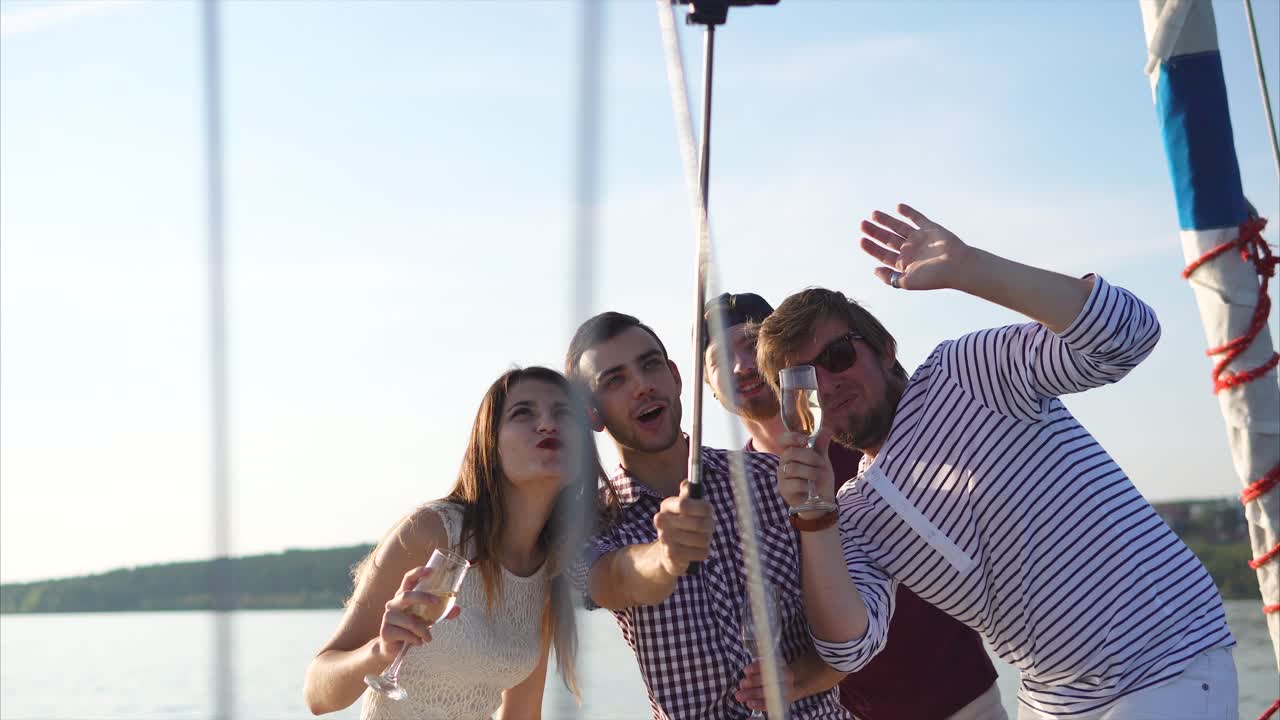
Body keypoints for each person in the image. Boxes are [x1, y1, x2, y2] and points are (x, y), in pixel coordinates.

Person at [756, 204, 1237, 720]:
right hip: (1055, 699)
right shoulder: (852, 513)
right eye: (801, 380)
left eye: (836, 357)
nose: (827, 385)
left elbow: (1128, 335)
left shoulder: (963, 373)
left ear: (884, 348)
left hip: (1164, 664)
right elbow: (850, 647)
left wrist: (969, 268)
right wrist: (815, 515)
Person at [703, 291, 1005, 720]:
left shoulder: (861, 437)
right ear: (708, 386)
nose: (742, 366)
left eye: (751, 347)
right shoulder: (730, 497)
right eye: (719, 360)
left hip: (961, 699)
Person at [564, 311, 851, 719]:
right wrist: (664, 557)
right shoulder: (589, 521)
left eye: (650, 366)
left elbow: (847, 626)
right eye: (615, 381)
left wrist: (812, 674)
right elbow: (615, 581)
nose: (642, 386)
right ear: (592, 414)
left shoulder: (772, 479)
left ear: (676, 377)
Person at [303, 366, 607, 720]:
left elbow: (522, 713)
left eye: (563, 413)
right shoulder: (432, 531)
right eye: (523, 413)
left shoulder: (551, 567)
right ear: (489, 444)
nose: (547, 424)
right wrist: (379, 651)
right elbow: (317, 694)